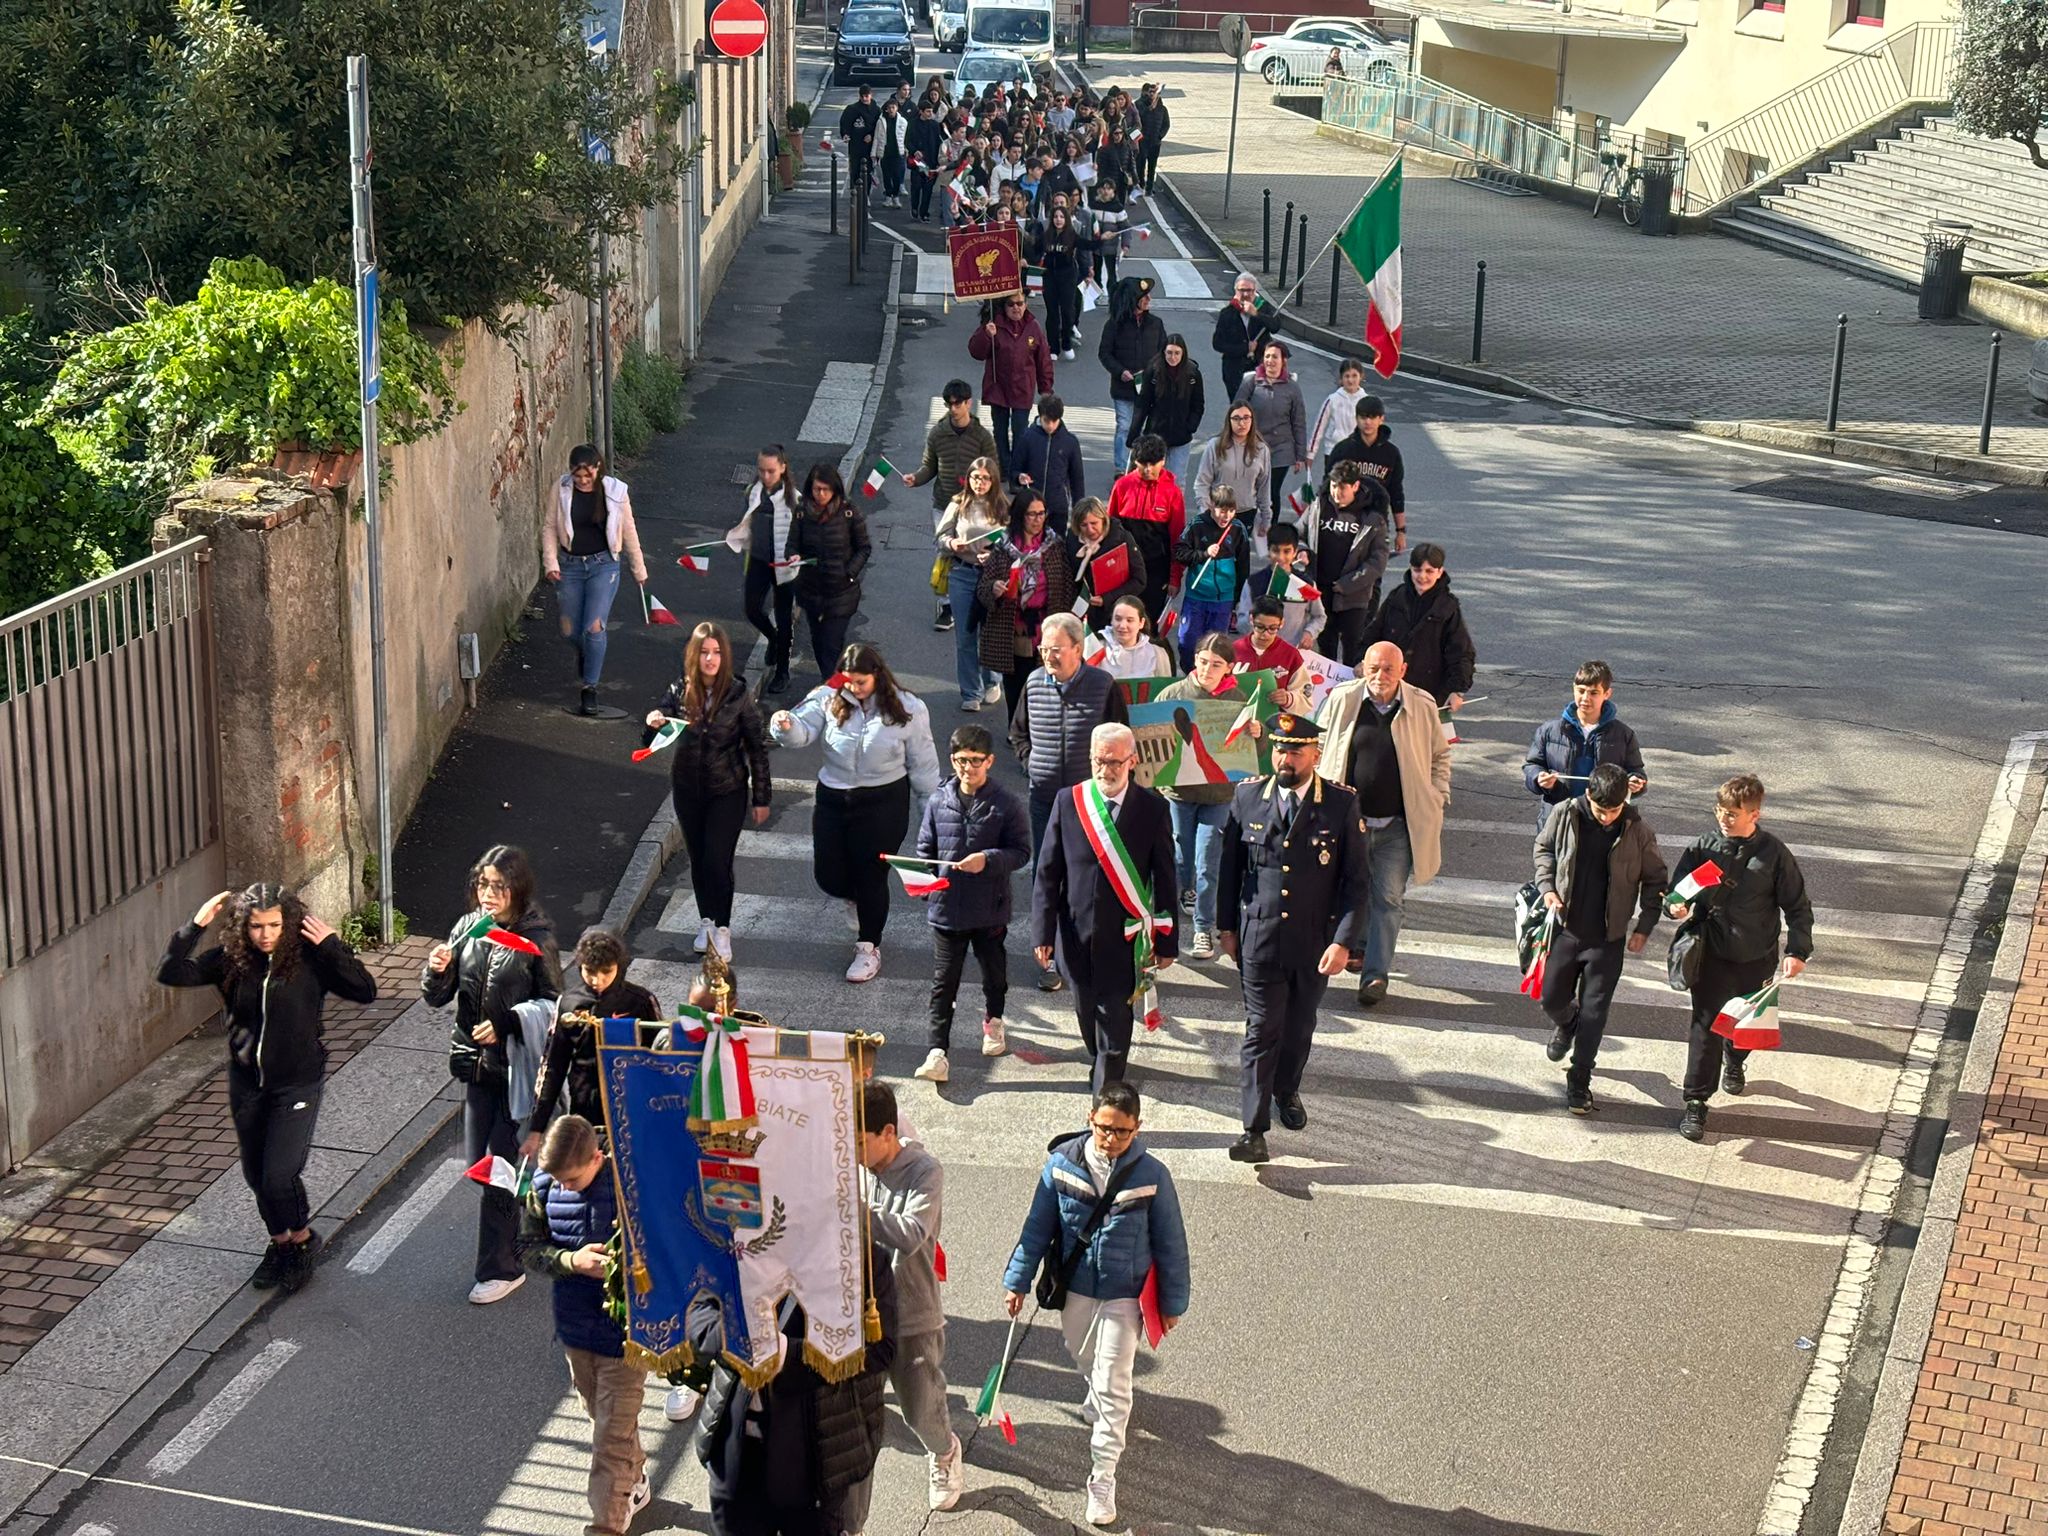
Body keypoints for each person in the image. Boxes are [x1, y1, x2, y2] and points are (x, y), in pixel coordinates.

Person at [156, 882, 375, 1292]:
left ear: (288, 922)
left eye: (274, 925)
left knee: (279, 1175)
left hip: (297, 1084)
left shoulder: (310, 958)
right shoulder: (230, 961)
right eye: (256, 926)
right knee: (257, 1175)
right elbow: (171, 972)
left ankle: (302, 1240)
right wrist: (194, 927)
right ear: (244, 926)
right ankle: (281, 1244)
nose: (265, 934)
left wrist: (332, 946)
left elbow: (365, 990)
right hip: (247, 1085)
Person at [1000, 1082, 1190, 1530]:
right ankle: (1095, 1388)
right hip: (1077, 1289)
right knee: (1082, 1356)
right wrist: (1017, 1281)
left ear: (1137, 1128)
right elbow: (1036, 1228)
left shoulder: (1153, 1175)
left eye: (1122, 1131)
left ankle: (1102, 1477)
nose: (1111, 1139)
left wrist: (1172, 1302)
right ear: (1090, 1120)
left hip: (1126, 1293)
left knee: (1112, 1384)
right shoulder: (1060, 1165)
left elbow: (1171, 1243)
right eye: (1105, 1128)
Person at [1216, 712, 1370, 1161]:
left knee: (1299, 1027)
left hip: (1313, 942)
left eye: (1296, 752)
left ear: (1315, 755)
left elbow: (1356, 881)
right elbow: (1229, 869)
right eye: (1280, 750)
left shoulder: (1339, 803)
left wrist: (1343, 941)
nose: (1286, 759)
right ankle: (1253, 1129)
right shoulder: (1248, 796)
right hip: (1259, 937)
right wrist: (1226, 927)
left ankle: (1286, 1090)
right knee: (1261, 1029)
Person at [423, 844, 562, 1302]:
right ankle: (544, 1212)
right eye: (483, 884)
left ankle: (502, 1267)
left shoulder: (537, 940)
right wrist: (436, 971)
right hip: (475, 1069)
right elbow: (438, 998)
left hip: (515, 1073)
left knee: (499, 1169)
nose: (488, 894)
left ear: (517, 889)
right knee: (482, 1167)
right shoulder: (468, 929)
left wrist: (507, 1023)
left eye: (499, 886)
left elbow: (555, 1007)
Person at [690, 1247, 898, 1536]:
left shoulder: (861, 1255)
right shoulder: (738, 1240)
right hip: (736, 1448)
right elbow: (697, 1309)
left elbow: (879, 1350)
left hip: (812, 1457)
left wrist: (787, 1354)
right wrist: (732, 1337)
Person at [771, 643, 942, 984]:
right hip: (834, 795)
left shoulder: (908, 707)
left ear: (877, 676)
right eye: (849, 681)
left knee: (871, 874)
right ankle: (852, 897)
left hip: (884, 801)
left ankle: (868, 946)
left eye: (861, 682)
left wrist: (932, 813)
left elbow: (923, 764)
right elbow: (802, 730)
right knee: (827, 873)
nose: (854, 688)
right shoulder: (828, 695)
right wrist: (785, 726)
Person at [837, 1081, 963, 1526]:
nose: (852, 1153)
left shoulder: (925, 1171)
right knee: (854, 1417)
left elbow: (912, 1233)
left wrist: (854, 1210)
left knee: (920, 1407)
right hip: (859, 1315)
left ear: (888, 1132)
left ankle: (944, 1450)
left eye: (859, 1142)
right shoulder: (856, 1168)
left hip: (912, 1313)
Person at [517, 1115, 649, 1536]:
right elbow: (528, 1249)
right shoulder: (543, 1187)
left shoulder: (632, 1182)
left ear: (597, 1158)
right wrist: (571, 1260)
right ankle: (636, 1479)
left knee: (609, 1439)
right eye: (558, 1180)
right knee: (603, 1419)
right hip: (575, 1329)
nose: (564, 1187)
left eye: (572, 1180)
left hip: (626, 1335)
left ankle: (606, 1524)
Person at [1032, 722, 1178, 1091]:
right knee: (1086, 1012)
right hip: (1075, 933)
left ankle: (1106, 1092)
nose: (1105, 770)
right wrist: (1042, 932)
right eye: (1099, 760)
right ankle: (1099, 1062)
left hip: (1124, 938)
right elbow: (1048, 871)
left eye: (1114, 762)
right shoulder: (1069, 801)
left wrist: (1167, 940)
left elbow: (1165, 877)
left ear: (1133, 761)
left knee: (1115, 1017)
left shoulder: (1153, 808)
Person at [1668, 774, 1815, 1142]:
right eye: (1720, 810)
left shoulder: (1773, 854)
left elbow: (1797, 905)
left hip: (1756, 956)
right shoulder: (1703, 847)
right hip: (1711, 954)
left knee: (1745, 1027)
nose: (1724, 818)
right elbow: (1676, 893)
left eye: (1732, 813)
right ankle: (1696, 1102)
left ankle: (1735, 1058)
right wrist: (1676, 907)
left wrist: (1797, 950)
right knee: (1705, 1027)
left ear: (1754, 815)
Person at [1316, 643, 1450, 1005]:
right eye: (1374, 668)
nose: (1380, 676)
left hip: (1397, 825)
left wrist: (1438, 794)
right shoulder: (1343, 698)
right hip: (1348, 824)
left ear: (1402, 671)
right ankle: (1356, 944)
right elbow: (1319, 744)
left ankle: (1375, 976)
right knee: (1346, 890)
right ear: (1363, 668)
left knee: (1388, 898)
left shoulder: (1422, 704)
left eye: (1389, 669)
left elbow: (1440, 755)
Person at [1533, 764, 1668, 1116]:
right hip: (1566, 929)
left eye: (1615, 810)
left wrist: (1644, 926)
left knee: (1595, 1013)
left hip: (1608, 939)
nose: (1607, 817)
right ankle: (1567, 1023)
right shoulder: (1565, 814)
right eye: (1600, 810)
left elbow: (1656, 880)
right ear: (1588, 794)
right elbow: (1543, 849)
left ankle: (1580, 1077)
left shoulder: (1639, 832)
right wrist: (1547, 888)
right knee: (1551, 999)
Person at [643, 620, 772, 958]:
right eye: (704, 652)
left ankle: (723, 929)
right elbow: (654, 734)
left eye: (716, 652)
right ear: (694, 655)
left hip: (727, 789)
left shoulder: (738, 694)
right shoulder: (680, 689)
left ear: (724, 656)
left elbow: (757, 747)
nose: (711, 659)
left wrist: (762, 797)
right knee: (699, 859)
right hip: (688, 789)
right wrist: (654, 722)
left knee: (717, 859)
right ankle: (706, 921)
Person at [912, 728, 1032, 1079]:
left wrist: (988, 860)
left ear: (990, 761)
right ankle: (937, 1051)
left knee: (994, 974)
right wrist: (926, 880)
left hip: (989, 909)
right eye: (962, 760)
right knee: (943, 983)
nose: (968, 768)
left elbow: (1021, 852)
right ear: (953, 760)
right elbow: (925, 849)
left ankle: (994, 1020)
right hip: (946, 909)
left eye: (976, 761)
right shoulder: (938, 800)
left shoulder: (1006, 803)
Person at [521, 927, 663, 1156]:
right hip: (585, 1105)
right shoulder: (568, 1003)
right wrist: (536, 1129)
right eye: (590, 971)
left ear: (619, 966)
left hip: (632, 1103)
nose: (598, 980)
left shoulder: (640, 1001)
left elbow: (660, 1056)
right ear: (580, 967)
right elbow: (554, 1065)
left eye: (607, 972)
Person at [1011, 613, 1131, 875]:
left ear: (1077, 649)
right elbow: (1018, 732)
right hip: (1044, 797)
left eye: (1056, 649)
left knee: (1084, 871)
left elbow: (1121, 735)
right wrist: (1031, 764)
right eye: (1044, 649)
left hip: (1089, 799)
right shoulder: (1033, 683)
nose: (1048, 656)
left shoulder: (1103, 685)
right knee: (1045, 868)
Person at [542, 444, 651, 716]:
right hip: (569, 566)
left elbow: (628, 530)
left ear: (597, 468)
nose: (582, 481)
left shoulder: (616, 492)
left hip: (604, 566)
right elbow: (550, 527)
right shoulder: (561, 488)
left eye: (587, 475)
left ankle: (589, 687)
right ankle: (587, 652)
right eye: (577, 476)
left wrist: (638, 568)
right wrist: (551, 562)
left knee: (594, 626)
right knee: (569, 630)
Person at [1151, 635, 1241, 959]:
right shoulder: (1173, 694)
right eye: (1203, 661)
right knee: (1181, 854)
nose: (1207, 669)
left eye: (1216, 664)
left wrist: (1256, 735)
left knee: (1207, 861)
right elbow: (1151, 743)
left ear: (1228, 667)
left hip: (1218, 796)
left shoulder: (1237, 699)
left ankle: (1203, 929)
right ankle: (1184, 893)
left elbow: (1251, 752)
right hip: (1179, 794)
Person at [906, 380, 999, 632]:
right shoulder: (937, 434)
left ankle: (975, 596)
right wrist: (916, 478)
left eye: (958, 404)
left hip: (974, 506)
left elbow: (993, 469)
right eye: (949, 404)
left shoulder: (982, 436)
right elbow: (929, 466)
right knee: (945, 550)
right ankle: (946, 606)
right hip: (944, 503)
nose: (953, 409)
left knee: (973, 551)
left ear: (969, 403)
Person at [978, 488, 1074, 720]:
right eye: (1031, 514)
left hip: (1047, 629)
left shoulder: (1054, 546)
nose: (1037, 519)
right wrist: (994, 588)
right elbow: (983, 587)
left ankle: (1039, 729)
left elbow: (1067, 586)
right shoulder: (1003, 547)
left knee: (1046, 687)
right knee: (1016, 687)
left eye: (1041, 513)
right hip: (1014, 629)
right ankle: (1015, 728)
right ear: (1020, 515)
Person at [1523, 659, 1650, 830]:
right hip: (1558, 820)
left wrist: (1635, 783)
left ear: (1607, 693)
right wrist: (1538, 778)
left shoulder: (1623, 734)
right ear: (1573, 689)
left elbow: (1636, 772)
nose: (1585, 698)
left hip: (1603, 824)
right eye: (1581, 691)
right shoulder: (1549, 731)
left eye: (1593, 693)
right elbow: (1532, 765)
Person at [1360, 542, 1476, 709]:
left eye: (1429, 571)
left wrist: (1456, 690)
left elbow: (1461, 652)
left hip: (1429, 691)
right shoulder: (1397, 597)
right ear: (1410, 569)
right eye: (1417, 570)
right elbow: (1374, 633)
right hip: (1390, 686)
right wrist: (1362, 659)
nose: (1422, 576)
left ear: (1440, 572)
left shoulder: (1447, 607)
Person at [935, 454, 1010, 712]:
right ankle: (970, 691)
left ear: (993, 481)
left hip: (992, 576)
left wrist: (994, 555)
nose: (980, 483)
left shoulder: (1002, 507)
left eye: (985, 478)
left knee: (989, 632)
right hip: (962, 573)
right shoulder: (958, 504)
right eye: (975, 477)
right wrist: (952, 543)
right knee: (965, 636)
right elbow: (941, 537)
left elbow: (1013, 544)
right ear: (968, 479)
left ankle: (992, 681)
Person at [1298, 461, 1387, 666]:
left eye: (1343, 488)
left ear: (1355, 486)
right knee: (1325, 650)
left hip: (1354, 596)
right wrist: (1302, 550)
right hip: (1320, 592)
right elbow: (1297, 534)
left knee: (1353, 651)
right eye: (1333, 486)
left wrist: (1347, 584)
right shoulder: (1318, 508)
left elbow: (1378, 561)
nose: (1337, 492)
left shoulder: (1372, 518)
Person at [791, 463, 873, 683]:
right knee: (819, 642)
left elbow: (864, 548)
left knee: (831, 643)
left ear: (835, 489)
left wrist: (849, 573)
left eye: (825, 489)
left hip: (841, 593)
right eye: (816, 489)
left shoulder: (848, 512)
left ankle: (833, 689)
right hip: (811, 591)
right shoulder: (802, 512)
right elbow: (792, 543)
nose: (821, 494)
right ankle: (837, 682)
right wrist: (794, 556)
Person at [729, 444, 801, 696]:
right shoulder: (753, 492)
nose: (766, 476)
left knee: (784, 618)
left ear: (783, 468)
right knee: (751, 609)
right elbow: (747, 520)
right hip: (759, 560)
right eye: (761, 470)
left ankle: (782, 672)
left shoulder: (795, 499)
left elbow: (804, 534)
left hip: (784, 566)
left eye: (771, 471)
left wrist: (798, 554)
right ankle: (772, 638)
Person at [968, 293, 1054, 479]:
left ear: (1026, 304)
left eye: (1020, 303)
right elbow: (976, 352)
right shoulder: (994, 324)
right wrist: (986, 335)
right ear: (1004, 306)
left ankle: (1017, 470)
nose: (1016, 308)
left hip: (1022, 389)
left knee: (1020, 432)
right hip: (998, 388)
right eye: (1011, 304)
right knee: (999, 431)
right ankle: (1004, 468)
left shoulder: (1033, 327)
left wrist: (1046, 388)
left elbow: (1043, 359)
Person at [1105, 434, 1185, 624]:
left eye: (1153, 463)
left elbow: (1177, 539)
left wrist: (1174, 578)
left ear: (1163, 461)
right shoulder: (1122, 486)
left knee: (1150, 623)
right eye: (1143, 463)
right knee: (1121, 621)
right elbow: (1109, 530)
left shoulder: (1173, 493)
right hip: (1124, 569)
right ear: (1135, 462)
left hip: (1156, 571)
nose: (1148, 469)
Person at [1170, 485, 1249, 671]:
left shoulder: (1238, 529)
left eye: (1231, 510)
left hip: (1223, 600)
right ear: (1212, 505)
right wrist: (1203, 554)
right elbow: (1179, 552)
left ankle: (1209, 679)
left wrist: (1239, 598)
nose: (1226, 516)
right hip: (1196, 597)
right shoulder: (1196, 525)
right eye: (1222, 510)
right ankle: (1190, 674)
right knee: (1187, 642)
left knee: (1216, 647)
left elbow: (1243, 566)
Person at [1098, 277, 1165, 474]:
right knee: (1125, 426)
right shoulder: (1114, 325)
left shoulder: (1156, 324)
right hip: (1123, 387)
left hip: (1149, 387)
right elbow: (1104, 353)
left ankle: (1141, 467)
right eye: (1144, 296)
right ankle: (1121, 469)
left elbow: (1163, 352)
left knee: (1146, 429)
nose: (1149, 299)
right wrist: (1120, 371)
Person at [1233, 342, 1308, 517]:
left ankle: (1270, 530)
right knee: (1250, 490)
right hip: (1253, 446)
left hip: (1281, 449)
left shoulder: (1292, 387)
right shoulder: (1251, 381)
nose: (1270, 360)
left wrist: (1300, 455)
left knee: (1272, 491)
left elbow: (1299, 422)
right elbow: (1236, 412)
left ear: (1283, 361)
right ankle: (1247, 526)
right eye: (1267, 356)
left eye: (1275, 357)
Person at [1325, 394, 1407, 553]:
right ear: (1356, 419)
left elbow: (1396, 493)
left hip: (1377, 522)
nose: (1368, 422)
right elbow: (1327, 487)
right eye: (1363, 417)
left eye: (1372, 417)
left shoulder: (1391, 454)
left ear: (1381, 419)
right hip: (1345, 522)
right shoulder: (1343, 450)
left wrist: (1401, 531)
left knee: (1375, 565)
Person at [1127, 333, 1206, 486]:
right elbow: (1143, 404)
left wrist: (1190, 426)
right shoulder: (1154, 370)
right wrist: (1134, 434)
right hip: (1156, 435)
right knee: (1152, 480)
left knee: (1177, 481)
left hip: (1181, 437)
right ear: (1163, 352)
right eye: (1169, 353)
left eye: (1177, 353)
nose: (1173, 357)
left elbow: (1198, 404)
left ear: (1183, 353)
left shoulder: (1192, 374)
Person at [1191, 399, 1272, 540]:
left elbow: (1264, 486)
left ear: (1252, 420)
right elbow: (1202, 482)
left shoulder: (1261, 450)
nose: (1242, 423)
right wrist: (1205, 512)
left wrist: (1266, 517)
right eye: (1236, 418)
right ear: (1229, 421)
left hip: (1246, 513)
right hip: (1219, 513)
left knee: (1240, 552)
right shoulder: (1215, 446)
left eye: (1246, 418)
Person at [1011, 392, 1085, 531]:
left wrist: (1079, 509)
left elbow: (1077, 479)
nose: (1050, 425)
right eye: (1046, 420)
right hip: (1031, 506)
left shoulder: (1070, 442)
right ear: (1040, 416)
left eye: (1054, 421)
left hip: (1057, 507)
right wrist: (1019, 477)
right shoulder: (1027, 438)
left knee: (1057, 542)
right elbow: (1015, 467)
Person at [1067, 499, 1147, 624]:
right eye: (1084, 525)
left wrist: (1107, 598)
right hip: (1082, 609)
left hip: (1114, 612)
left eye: (1094, 523)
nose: (1090, 530)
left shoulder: (1121, 538)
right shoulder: (1073, 539)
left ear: (1104, 520)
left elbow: (1139, 580)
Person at [1256, 523, 1325, 650]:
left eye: (1287, 551)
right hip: (1260, 649)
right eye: (1275, 551)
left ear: (1295, 552)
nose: (1281, 557)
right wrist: (1258, 630)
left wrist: (1309, 633)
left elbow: (1319, 616)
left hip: (1293, 650)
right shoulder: (1254, 582)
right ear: (1268, 550)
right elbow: (1243, 617)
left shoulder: (1305, 584)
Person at [1032, 209, 1089, 362]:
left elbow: (1087, 245)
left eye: (1062, 217)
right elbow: (1034, 249)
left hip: (1068, 277)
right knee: (1052, 313)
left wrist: (1103, 238)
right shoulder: (1046, 236)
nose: (1058, 219)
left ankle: (1066, 344)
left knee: (1067, 311)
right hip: (1049, 277)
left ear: (1066, 219)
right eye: (1055, 216)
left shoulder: (1072, 236)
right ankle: (1053, 347)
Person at [1211, 274, 1274, 401]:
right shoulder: (1227, 313)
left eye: (1249, 290)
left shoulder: (1263, 307)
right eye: (1242, 290)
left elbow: (1275, 325)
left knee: (1260, 405)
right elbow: (1217, 343)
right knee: (1239, 405)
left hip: (1259, 366)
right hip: (1235, 369)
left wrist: (1256, 314)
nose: (1245, 294)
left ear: (1255, 290)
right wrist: (1245, 348)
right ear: (1236, 291)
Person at [1091, 592, 1176, 681]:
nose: (1122, 625)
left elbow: (1165, 686)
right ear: (1111, 620)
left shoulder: (1157, 653)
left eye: (1129, 620)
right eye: (1118, 619)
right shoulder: (1095, 647)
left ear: (1141, 623)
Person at [1307, 357, 1370, 468]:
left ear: (1361, 376)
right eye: (1347, 376)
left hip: (1357, 453)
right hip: (1333, 451)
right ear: (1341, 378)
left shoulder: (1366, 401)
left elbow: (1372, 429)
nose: (1350, 380)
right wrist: (1311, 453)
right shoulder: (1332, 400)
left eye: (1354, 376)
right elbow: (1319, 427)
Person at [1233, 594, 1303, 679]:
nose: (1265, 634)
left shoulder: (1291, 655)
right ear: (1251, 619)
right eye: (1260, 627)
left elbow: (1303, 686)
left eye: (1272, 628)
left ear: (1281, 623)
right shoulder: (1234, 649)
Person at [906, 100, 944, 221]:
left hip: (931, 161)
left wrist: (938, 161)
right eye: (927, 111)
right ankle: (914, 207)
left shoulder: (935, 125)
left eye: (931, 111)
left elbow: (938, 143)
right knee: (916, 186)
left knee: (928, 189)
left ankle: (924, 212)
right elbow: (907, 141)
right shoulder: (912, 124)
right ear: (921, 111)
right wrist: (914, 151)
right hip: (918, 162)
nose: (930, 114)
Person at [840, 83, 882, 186]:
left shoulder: (876, 110)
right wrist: (845, 134)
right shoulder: (852, 109)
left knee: (868, 170)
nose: (864, 99)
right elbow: (845, 123)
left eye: (866, 96)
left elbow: (880, 127)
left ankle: (866, 192)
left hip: (870, 146)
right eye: (862, 96)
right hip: (855, 144)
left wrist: (871, 135)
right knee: (855, 168)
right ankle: (855, 190)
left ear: (871, 95)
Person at [1135, 81, 1169, 191]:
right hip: (1143, 141)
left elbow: (1166, 124)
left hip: (1155, 142)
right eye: (1150, 91)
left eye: (1154, 92)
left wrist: (1160, 136)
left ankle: (1149, 187)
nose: (1151, 94)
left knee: (1152, 166)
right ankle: (1141, 184)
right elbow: (1137, 120)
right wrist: (1149, 108)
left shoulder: (1162, 109)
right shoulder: (1140, 105)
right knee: (1141, 164)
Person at [879, 96, 909, 207]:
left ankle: (895, 197)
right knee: (886, 176)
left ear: (897, 108)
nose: (891, 110)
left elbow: (906, 136)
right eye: (889, 108)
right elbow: (877, 137)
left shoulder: (903, 121)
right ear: (886, 109)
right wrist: (874, 153)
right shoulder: (881, 121)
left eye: (893, 107)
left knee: (897, 175)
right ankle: (888, 196)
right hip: (885, 152)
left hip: (897, 152)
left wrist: (906, 147)